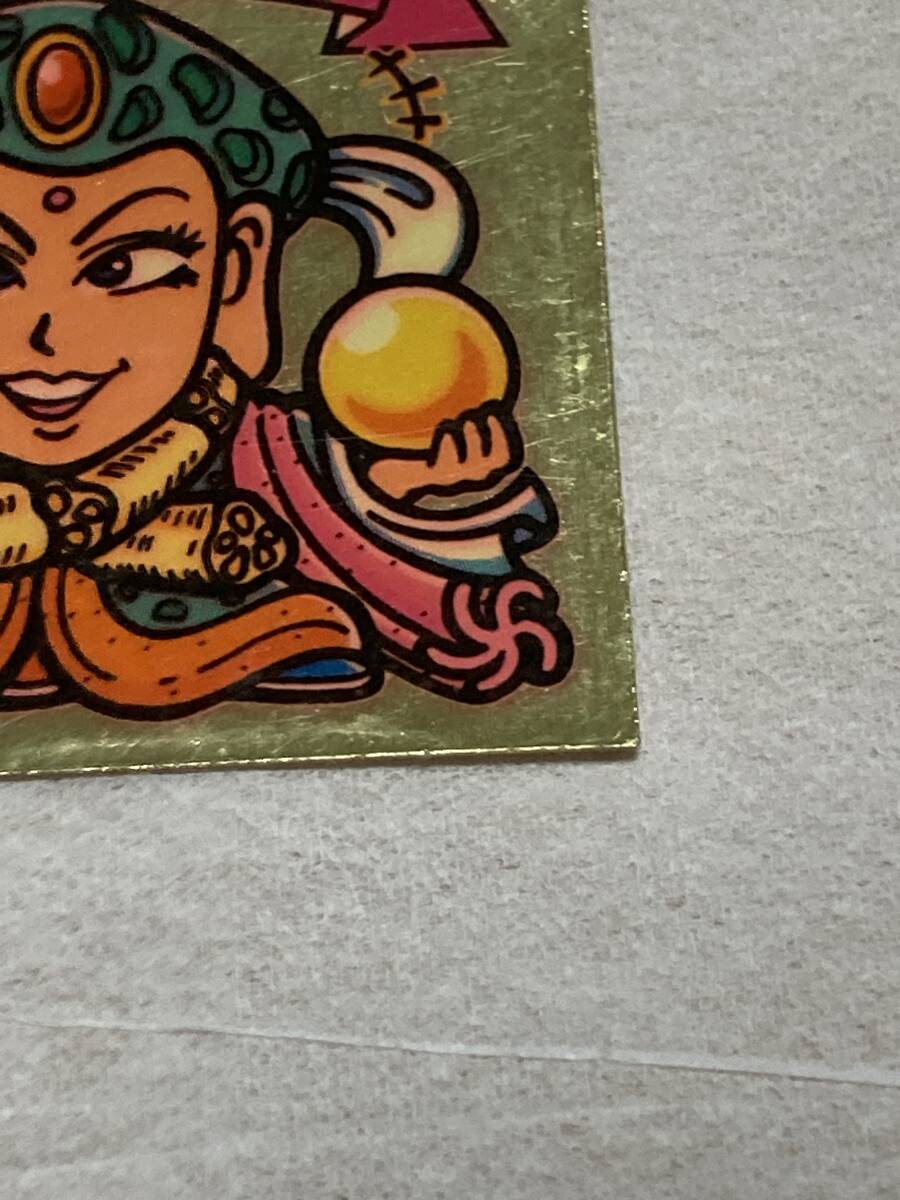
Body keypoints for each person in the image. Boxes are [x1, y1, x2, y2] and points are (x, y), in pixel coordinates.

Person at [0, 0, 572, 718]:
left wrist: (410, 489)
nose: (46, 334)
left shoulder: (263, 458)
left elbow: (335, 508)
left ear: (238, 273)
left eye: (122, 267)